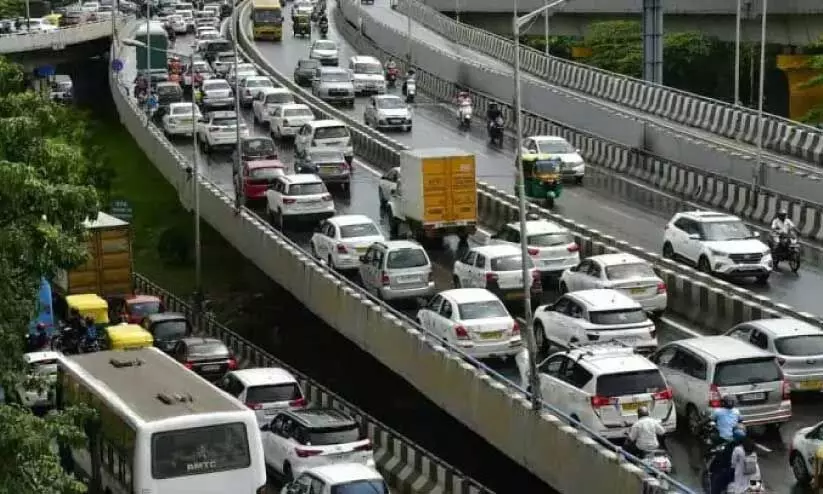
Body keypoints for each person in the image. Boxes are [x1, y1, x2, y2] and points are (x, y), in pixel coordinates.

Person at [709, 426, 747, 494]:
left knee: (715, 486)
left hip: (728, 472)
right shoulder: (747, 447)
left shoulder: (730, 446)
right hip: (742, 475)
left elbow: (721, 458)